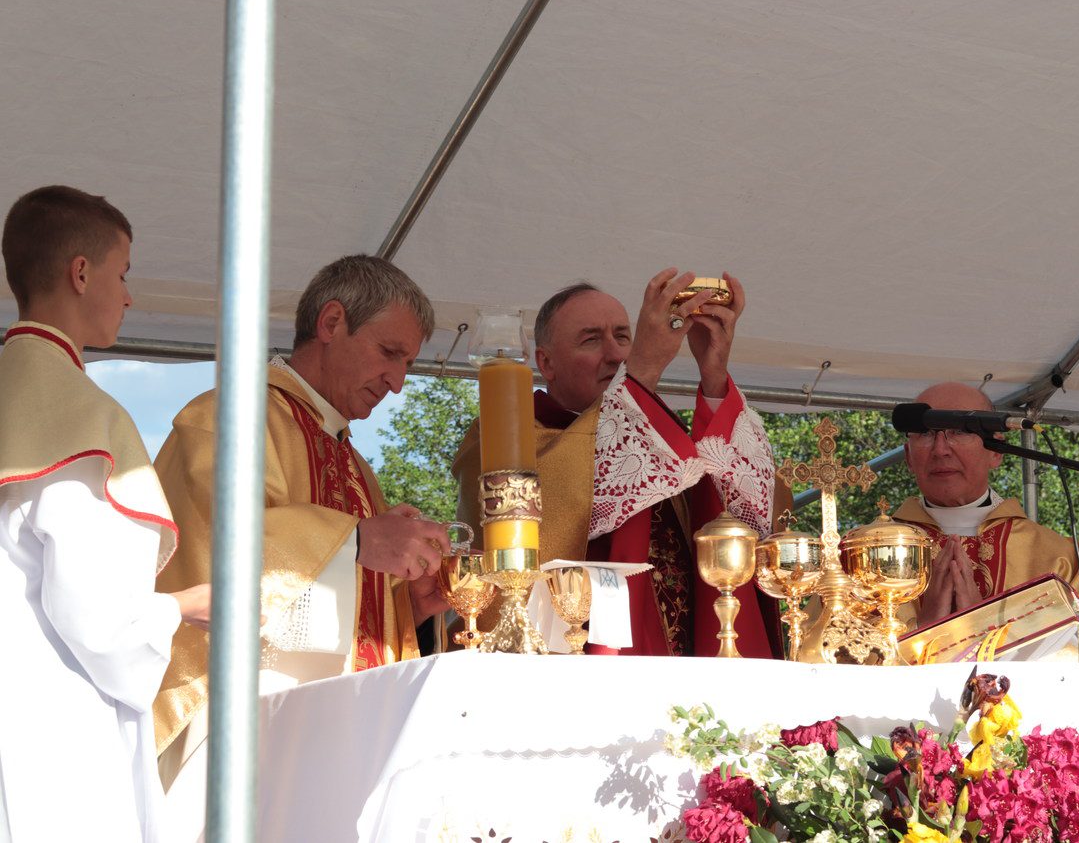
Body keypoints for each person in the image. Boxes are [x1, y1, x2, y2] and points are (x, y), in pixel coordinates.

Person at [151, 255, 452, 795]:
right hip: (242, 720)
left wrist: (403, 605)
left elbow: (336, 610)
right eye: (390, 353)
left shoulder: (356, 465)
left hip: (347, 733)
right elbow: (222, 547)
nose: (399, 383)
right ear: (332, 322)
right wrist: (359, 539)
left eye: (408, 363)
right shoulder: (230, 416)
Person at [0, 185, 210, 842]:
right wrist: (184, 604)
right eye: (122, 274)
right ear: (80, 272)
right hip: (53, 732)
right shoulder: (82, 418)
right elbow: (97, 621)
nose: (128, 296)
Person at [452, 269, 788, 657]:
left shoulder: (659, 437)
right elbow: (554, 510)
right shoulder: (506, 434)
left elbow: (754, 516)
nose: (616, 354)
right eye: (591, 339)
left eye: (623, 337)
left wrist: (714, 378)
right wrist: (641, 372)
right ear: (546, 362)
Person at [895, 382, 1079, 632]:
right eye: (926, 433)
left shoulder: (1065, 561)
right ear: (909, 456)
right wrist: (922, 629)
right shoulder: (860, 557)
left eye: (960, 431)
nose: (940, 450)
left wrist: (987, 630)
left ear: (996, 451)